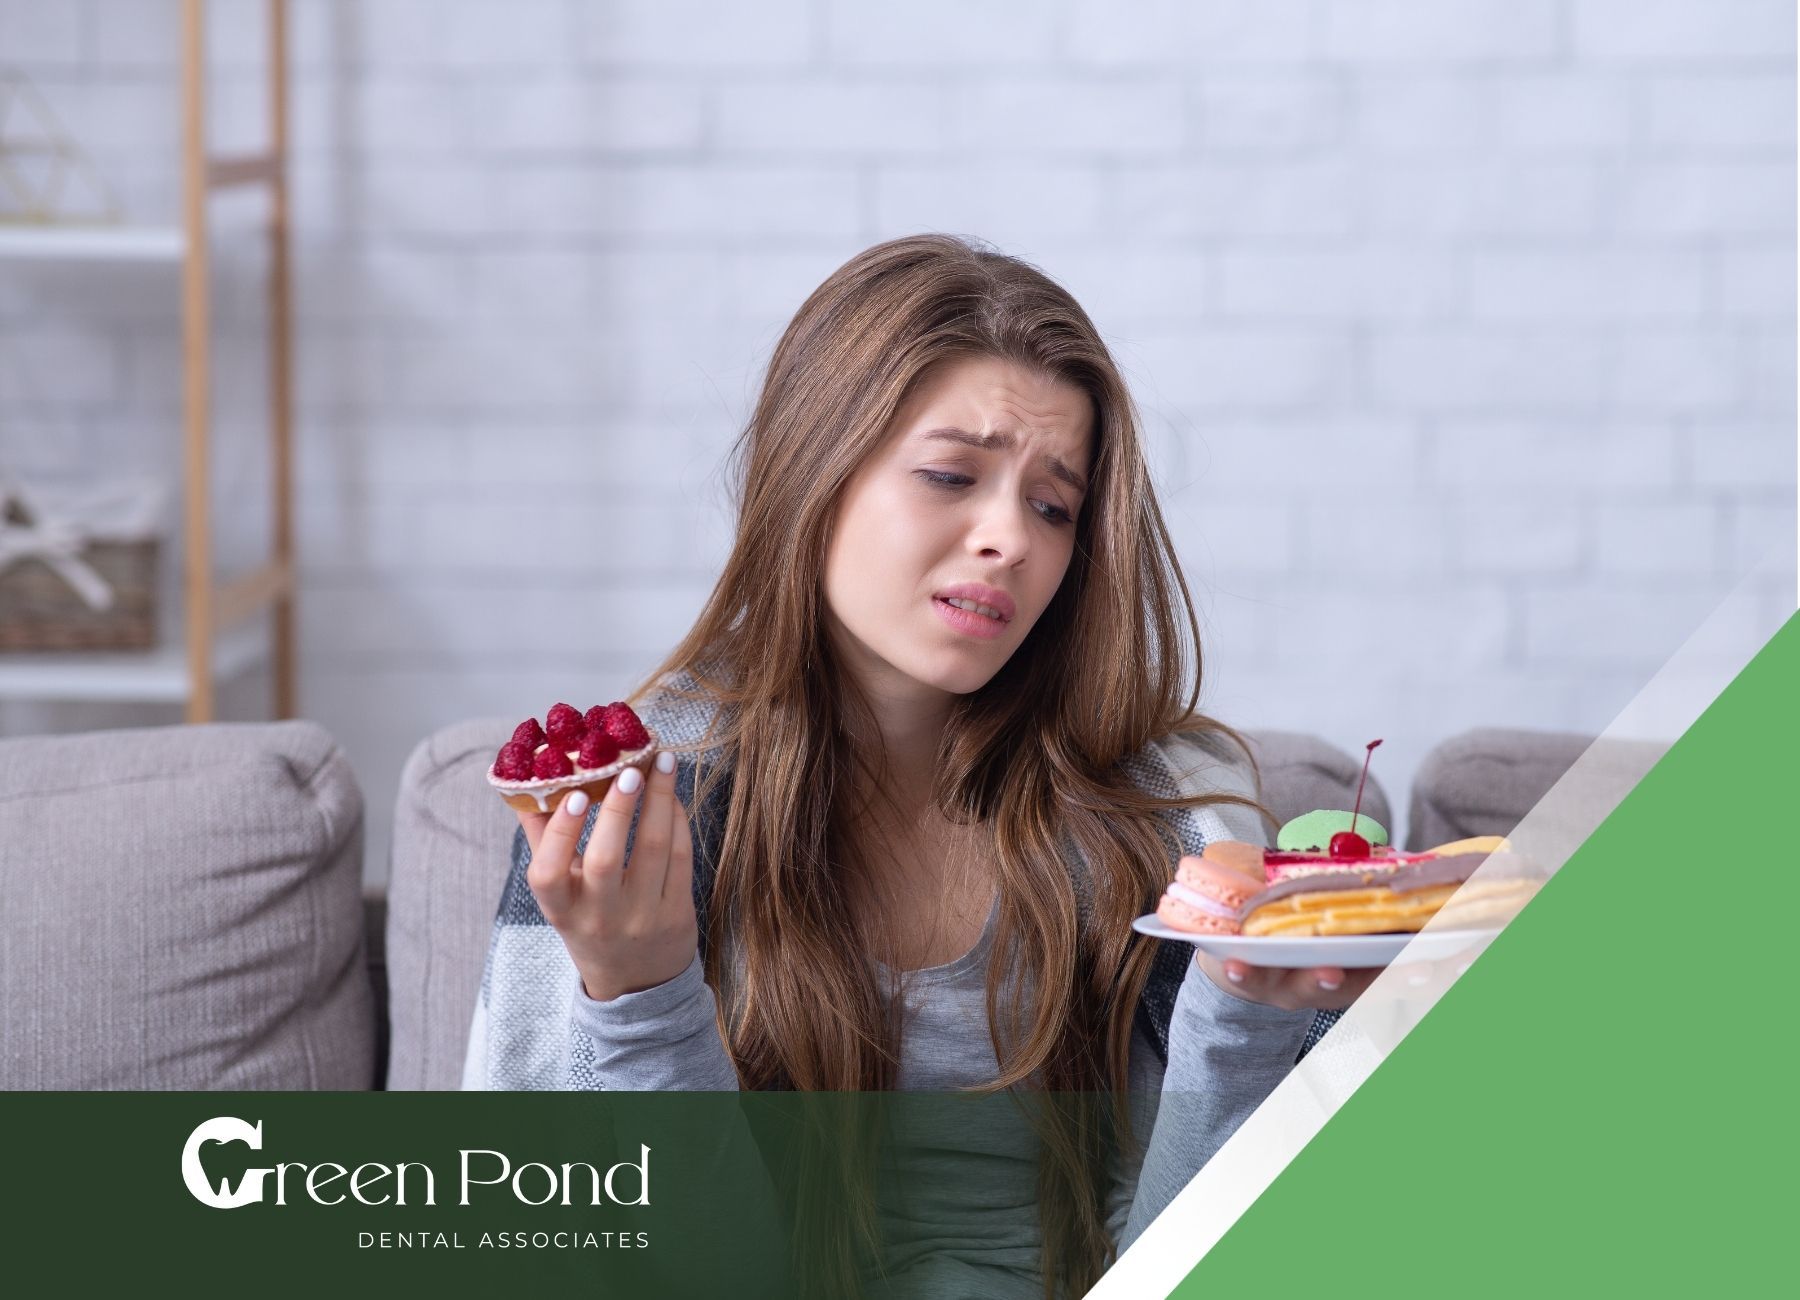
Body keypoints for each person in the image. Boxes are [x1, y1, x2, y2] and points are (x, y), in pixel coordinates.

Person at [462, 233, 1378, 1298]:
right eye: (951, 475)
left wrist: (1242, 1014)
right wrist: (641, 994)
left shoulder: (1165, 809)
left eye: (1053, 505)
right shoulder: (636, 801)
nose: (1010, 540)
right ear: (816, 471)